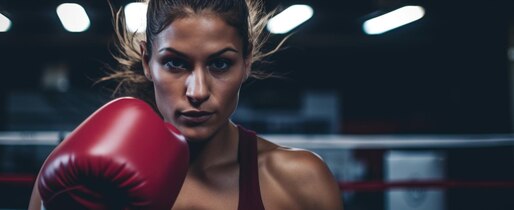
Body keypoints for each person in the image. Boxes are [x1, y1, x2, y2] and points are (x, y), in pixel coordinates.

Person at [29, 0, 343, 209]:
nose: (198, 91)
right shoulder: (78, 179)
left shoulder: (299, 181)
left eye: (220, 64)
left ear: (246, 63)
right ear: (147, 62)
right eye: (175, 63)